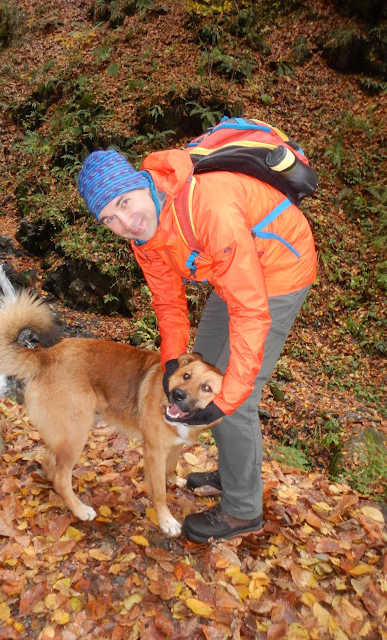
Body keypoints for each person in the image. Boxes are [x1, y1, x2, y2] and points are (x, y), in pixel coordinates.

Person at [77, 145, 317, 542]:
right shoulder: (145, 235)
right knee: (198, 362)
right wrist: (173, 362)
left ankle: (243, 509)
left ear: (140, 184)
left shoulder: (207, 209)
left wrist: (227, 398)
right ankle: (232, 470)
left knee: (232, 397)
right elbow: (169, 304)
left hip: (279, 269)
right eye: (109, 219)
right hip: (231, 268)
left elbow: (252, 313)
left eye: (123, 202)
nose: (125, 221)